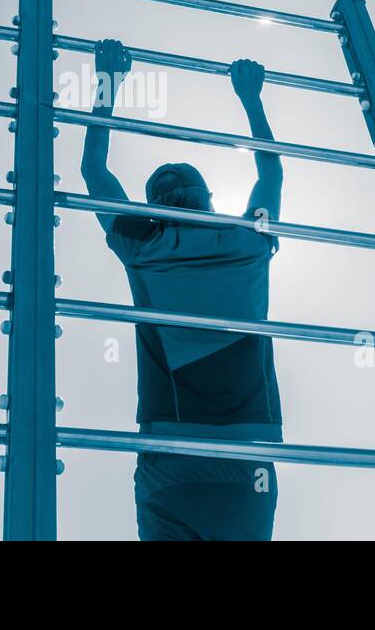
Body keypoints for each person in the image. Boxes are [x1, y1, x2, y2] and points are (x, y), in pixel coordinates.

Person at [80, 38, 284, 541]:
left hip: (170, 455)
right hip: (247, 460)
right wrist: (250, 96)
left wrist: (108, 81)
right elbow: (272, 170)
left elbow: (93, 171)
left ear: (153, 206)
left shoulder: (143, 244)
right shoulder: (247, 241)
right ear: (210, 200)